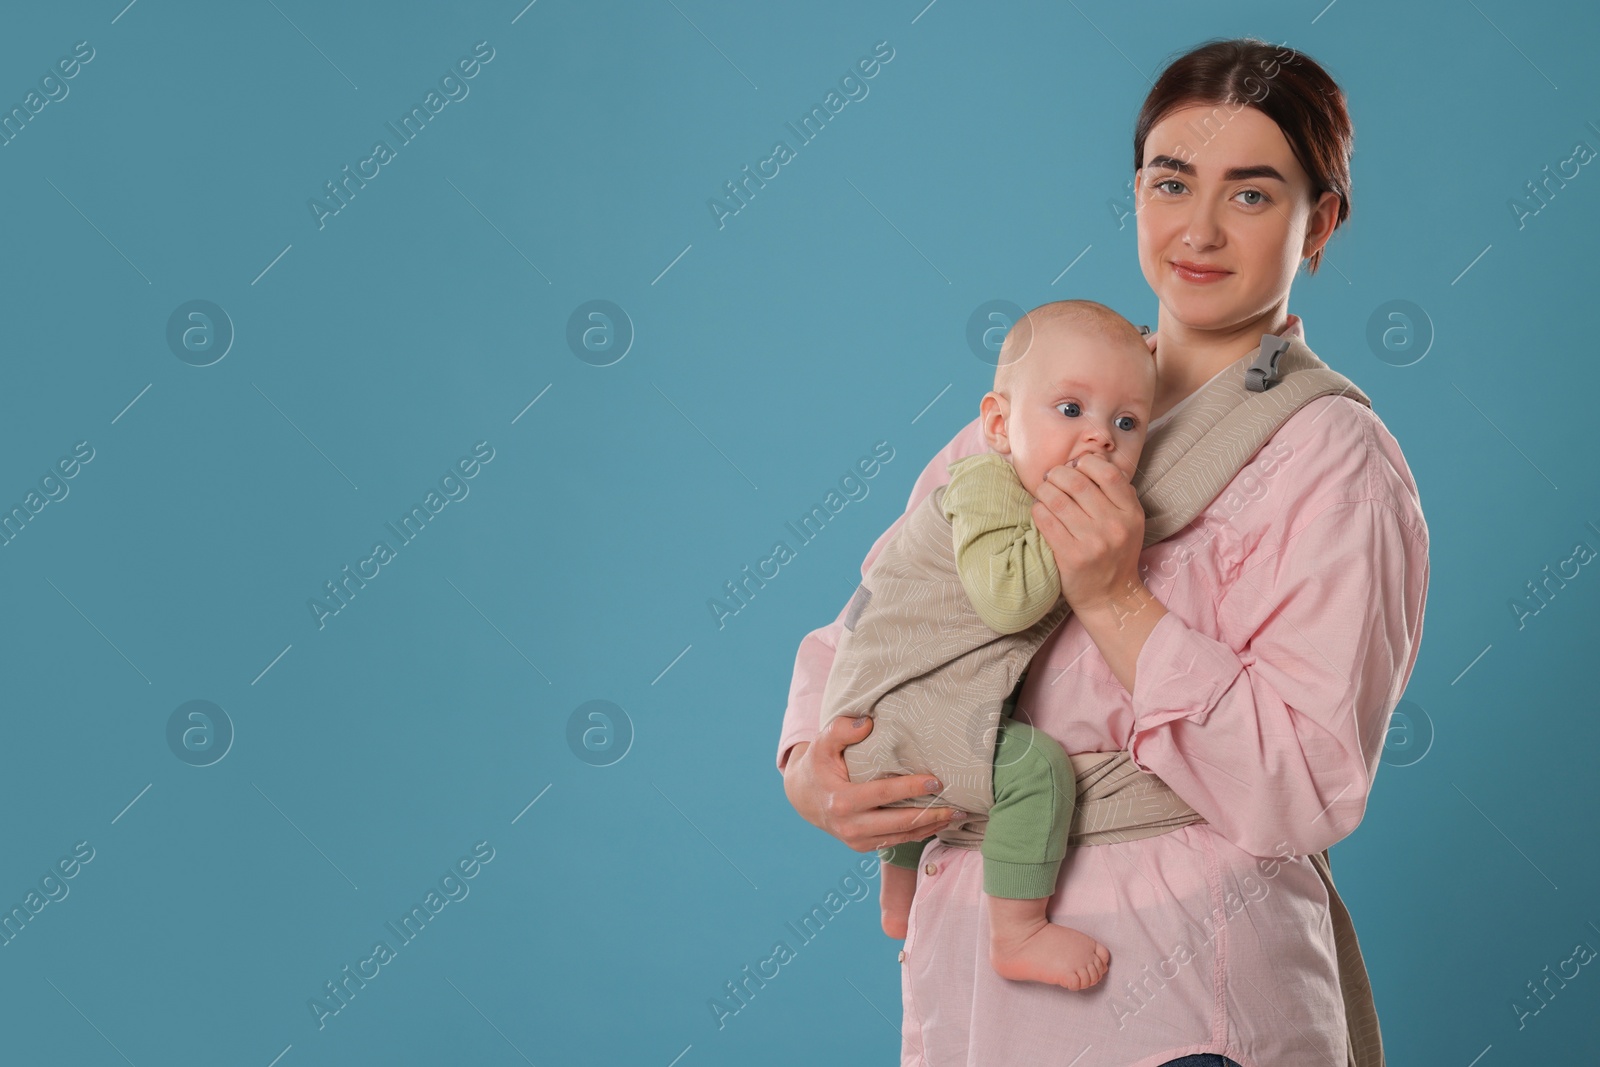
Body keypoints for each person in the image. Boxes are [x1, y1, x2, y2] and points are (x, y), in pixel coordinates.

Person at [778, 37, 1429, 1067]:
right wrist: (814, 771)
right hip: (970, 988)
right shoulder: (1042, 401)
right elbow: (875, 620)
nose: (1199, 230)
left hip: (1181, 981)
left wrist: (1116, 598)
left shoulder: (1333, 462)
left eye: (1251, 195)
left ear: (1323, 219)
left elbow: (1301, 786)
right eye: (1172, 183)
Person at [818, 299, 1155, 992]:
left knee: (964, 719)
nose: (1100, 439)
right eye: (1070, 411)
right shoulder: (982, 486)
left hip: (889, 710)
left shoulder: (1010, 482)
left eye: (1126, 423)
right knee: (1038, 770)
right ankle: (1019, 931)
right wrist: (1085, 546)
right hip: (878, 721)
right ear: (999, 424)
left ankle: (899, 892)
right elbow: (1008, 600)